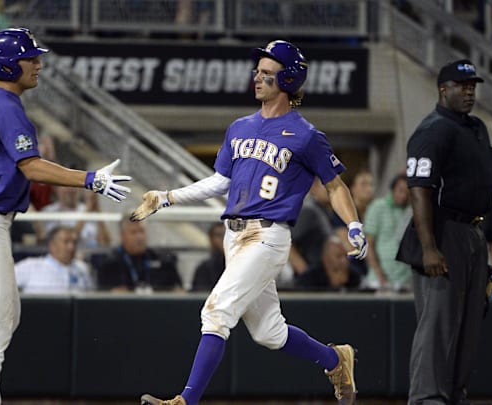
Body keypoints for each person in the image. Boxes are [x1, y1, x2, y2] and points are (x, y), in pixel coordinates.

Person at [131, 40, 367, 405]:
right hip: (234, 236)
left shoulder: (305, 135)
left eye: (266, 72)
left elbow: (334, 186)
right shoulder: (240, 127)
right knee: (269, 332)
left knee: (216, 313)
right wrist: (167, 197)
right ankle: (336, 359)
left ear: (288, 79)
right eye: (256, 71)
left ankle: (185, 401)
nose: (256, 77)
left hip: (268, 236)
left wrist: (353, 225)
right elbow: (220, 182)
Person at [0, 27, 131, 405]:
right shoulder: (8, 110)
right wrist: (90, 180)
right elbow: (33, 168)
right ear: (10, 64)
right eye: (31, 58)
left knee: (3, 318)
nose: (38, 65)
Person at [396, 59, 492, 404]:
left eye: (472, 87)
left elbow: (481, 186)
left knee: (468, 326)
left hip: (472, 232)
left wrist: (483, 245)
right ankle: (426, 398)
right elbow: (419, 188)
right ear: (443, 89)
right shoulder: (432, 130)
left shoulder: (477, 128)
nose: (469, 92)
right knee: (438, 323)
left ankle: (454, 394)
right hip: (443, 231)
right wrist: (429, 247)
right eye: (461, 86)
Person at [96, 212, 182, 293]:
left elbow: (179, 291)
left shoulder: (164, 262)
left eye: (141, 231)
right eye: (134, 232)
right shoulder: (110, 265)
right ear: (122, 236)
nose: (139, 237)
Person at [363, 173, 412, 291]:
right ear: (393, 189)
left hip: (406, 280)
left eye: (407, 192)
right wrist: (380, 276)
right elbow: (368, 244)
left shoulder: (412, 210)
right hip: (379, 280)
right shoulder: (377, 207)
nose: (403, 195)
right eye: (400, 190)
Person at [14, 226, 95, 294]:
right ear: (52, 245)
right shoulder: (30, 266)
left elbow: (90, 298)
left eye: (74, 242)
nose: (71, 247)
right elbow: (4, 284)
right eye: (66, 242)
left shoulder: (82, 268)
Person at [295, 235, 362, 291]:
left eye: (346, 256)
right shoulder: (308, 279)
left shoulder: (354, 277)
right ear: (326, 259)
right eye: (339, 256)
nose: (344, 260)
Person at [190, 222, 225, 292]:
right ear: (211, 239)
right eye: (218, 235)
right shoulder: (205, 268)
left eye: (225, 235)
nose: (223, 239)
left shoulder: (240, 266)